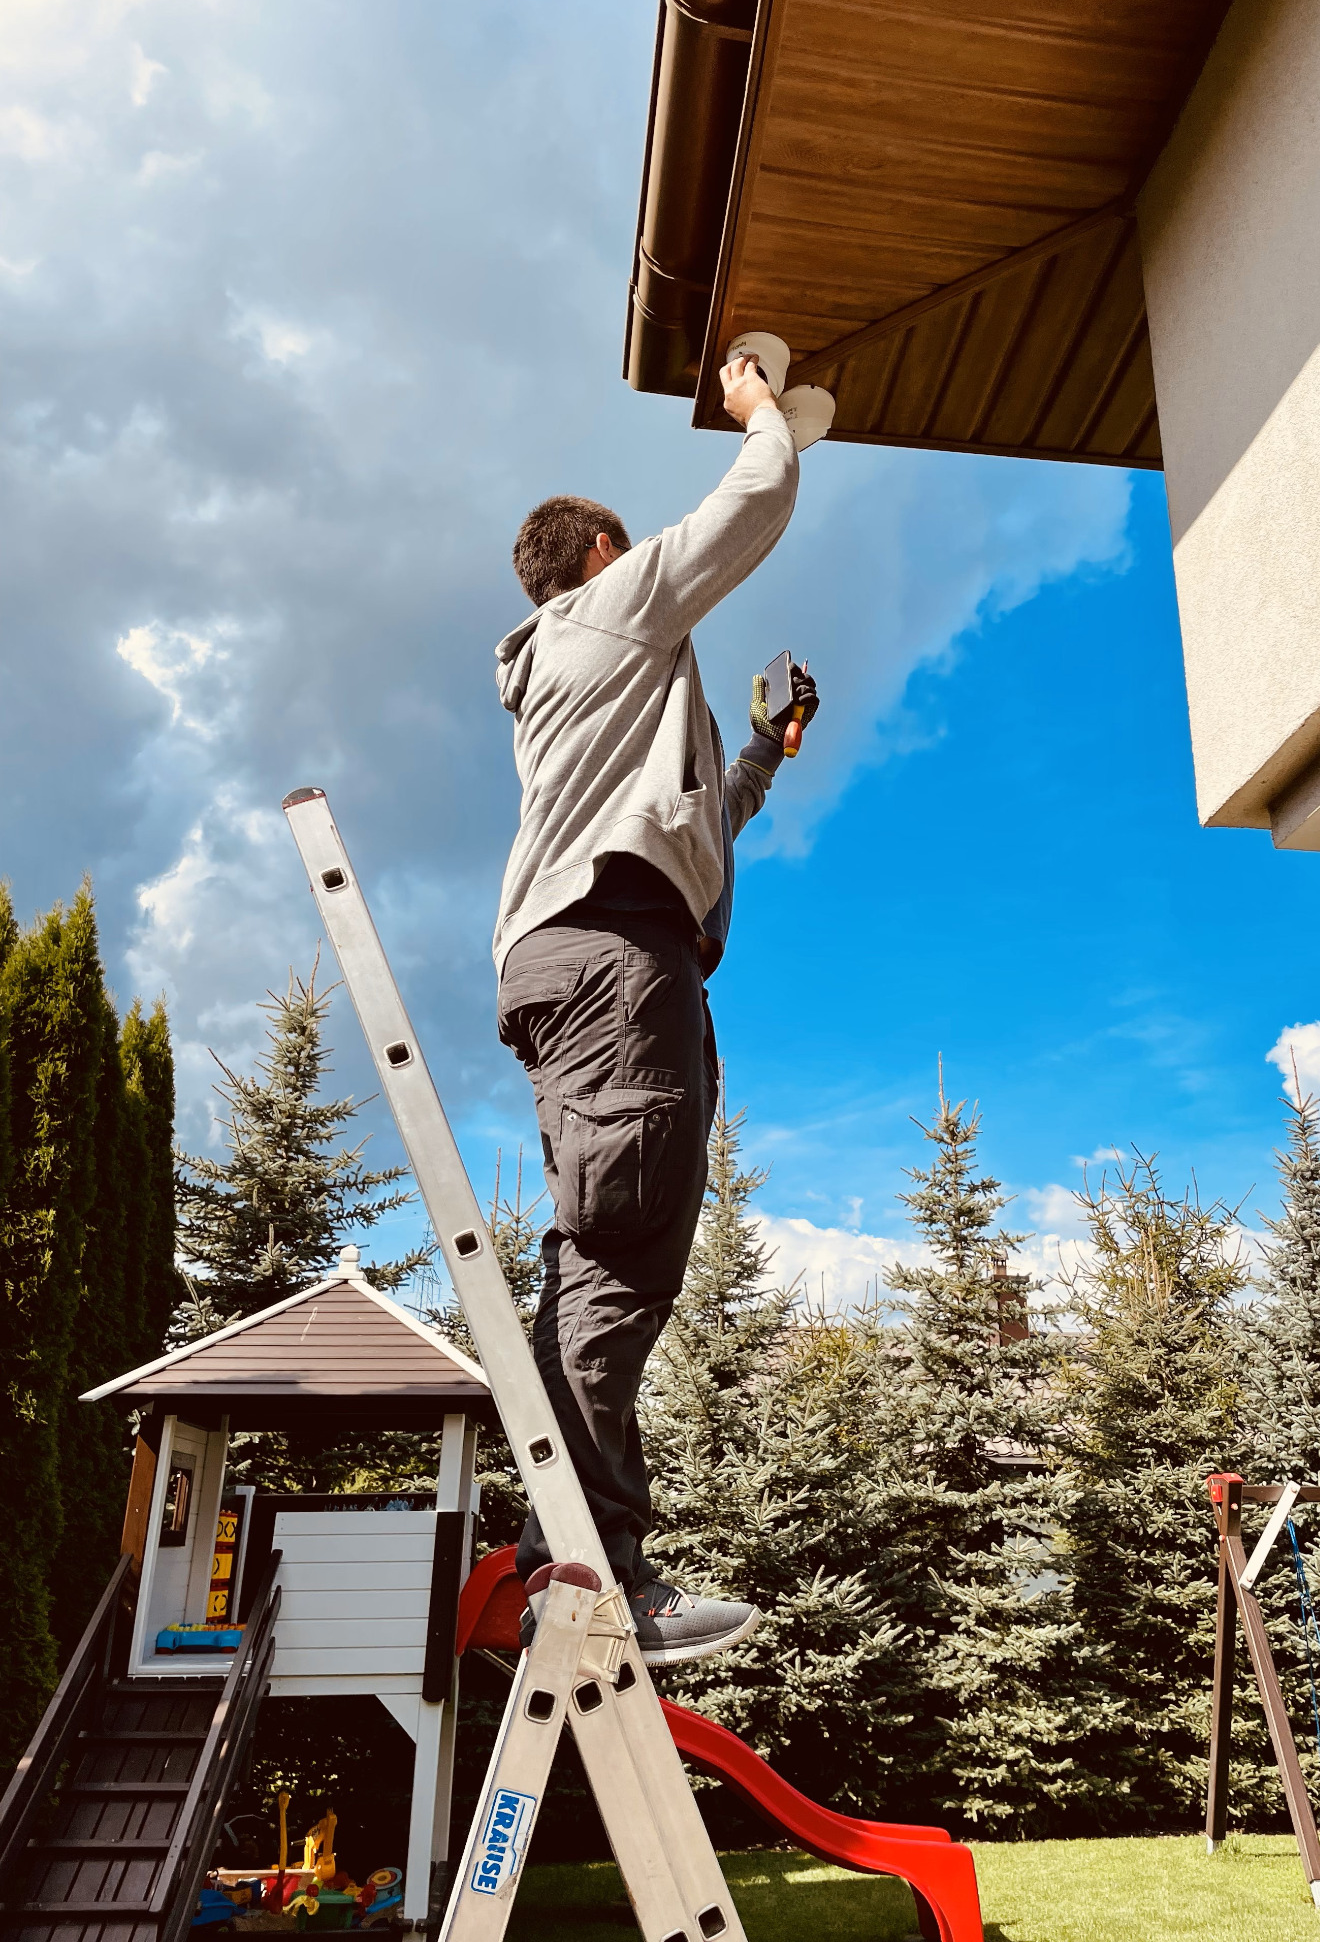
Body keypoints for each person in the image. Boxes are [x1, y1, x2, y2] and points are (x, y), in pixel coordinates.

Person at [492, 353, 818, 1664]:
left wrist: (760, 755)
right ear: (597, 563)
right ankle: (596, 1577)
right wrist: (761, 405)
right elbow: (757, 498)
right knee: (619, 1257)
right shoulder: (600, 617)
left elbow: (699, 824)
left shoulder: (601, 702)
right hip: (615, 961)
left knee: (594, 1258)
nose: (658, 586)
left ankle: (552, 1558)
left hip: (596, 952)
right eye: (635, 560)